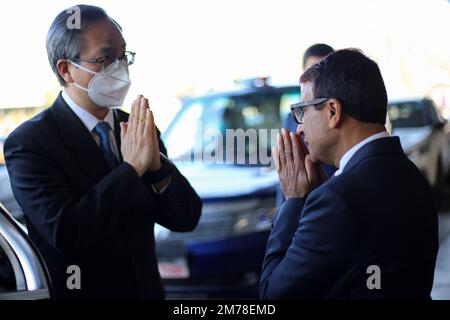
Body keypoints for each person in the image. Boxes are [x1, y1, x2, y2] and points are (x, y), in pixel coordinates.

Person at [4, 5, 202, 299]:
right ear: (66, 69)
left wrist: (157, 168)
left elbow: (185, 218)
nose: (119, 67)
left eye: (123, 56)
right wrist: (132, 169)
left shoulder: (134, 126)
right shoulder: (30, 143)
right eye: (106, 58)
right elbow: (67, 233)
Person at [260, 49, 439, 299]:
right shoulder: (412, 175)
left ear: (333, 111)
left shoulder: (337, 200)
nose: (299, 128)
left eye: (302, 110)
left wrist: (294, 200)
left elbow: (272, 294)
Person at [276, 44, 335, 207]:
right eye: (311, 71)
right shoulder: (291, 117)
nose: (301, 128)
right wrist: (287, 207)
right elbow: (289, 164)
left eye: (321, 72)